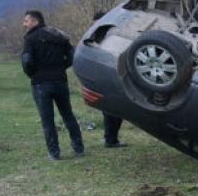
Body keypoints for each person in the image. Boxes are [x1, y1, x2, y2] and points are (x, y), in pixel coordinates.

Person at [21, 10, 84, 160]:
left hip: (41, 83)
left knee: (47, 119)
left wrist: (33, 74)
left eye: (26, 21)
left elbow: (27, 61)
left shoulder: (30, 38)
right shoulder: (58, 35)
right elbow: (73, 55)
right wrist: (62, 67)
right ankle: (78, 148)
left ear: (35, 22)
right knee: (68, 115)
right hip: (60, 81)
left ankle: (54, 153)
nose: (24, 24)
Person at [92, 11, 127, 148]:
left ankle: (110, 137)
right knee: (111, 110)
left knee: (111, 110)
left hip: (107, 76)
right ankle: (111, 139)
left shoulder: (106, 36)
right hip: (108, 77)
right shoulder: (106, 36)